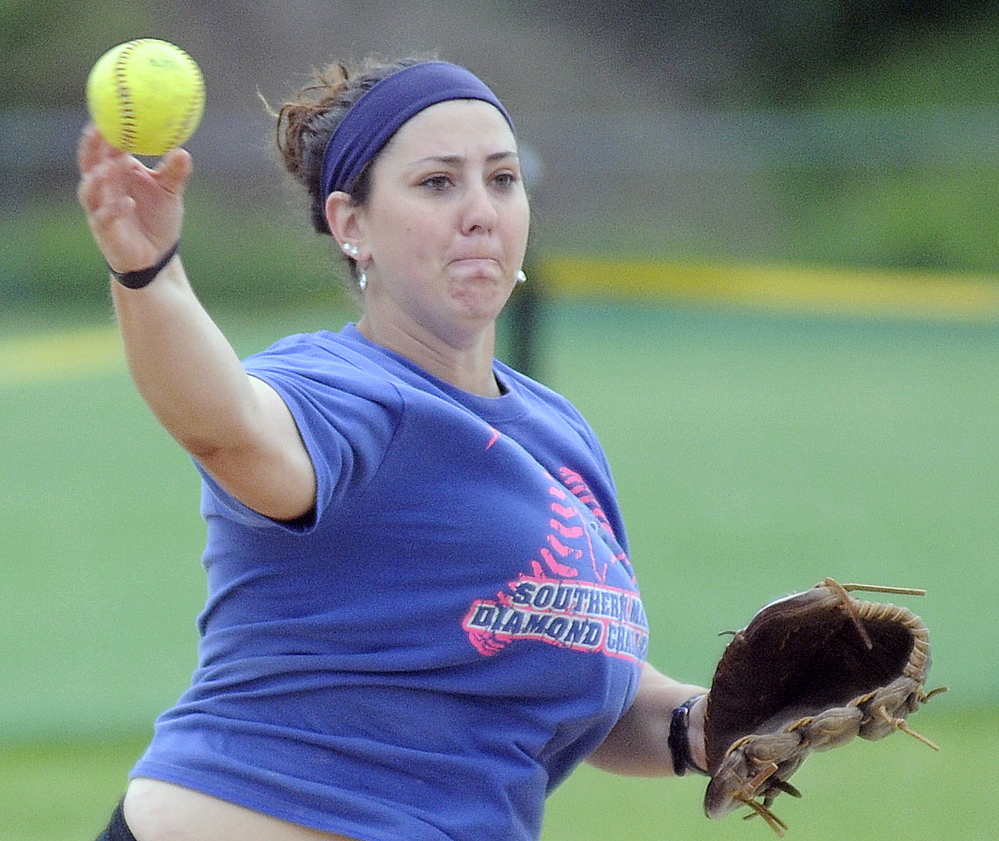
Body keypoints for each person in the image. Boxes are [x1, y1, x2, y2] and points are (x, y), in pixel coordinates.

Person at [78, 56, 710, 841]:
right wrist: (149, 273)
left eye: (502, 179)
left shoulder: (558, 432)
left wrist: (706, 723)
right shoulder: (341, 389)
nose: (480, 211)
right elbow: (227, 426)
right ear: (351, 225)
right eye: (438, 182)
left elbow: (572, 666)